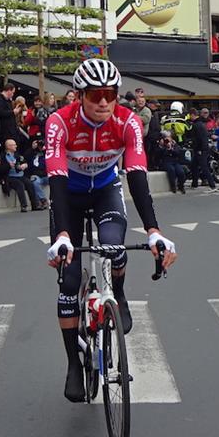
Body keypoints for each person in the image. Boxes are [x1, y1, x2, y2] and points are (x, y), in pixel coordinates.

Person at [44, 58, 177, 402]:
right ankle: (74, 364)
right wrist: (61, 236)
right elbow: (56, 180)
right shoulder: (59, 122)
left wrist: (153, 231)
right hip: (68, 199)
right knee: (69, 281)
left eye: (111, 93)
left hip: (105, 191)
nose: (104, 101)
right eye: (96, 94)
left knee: (113, 246)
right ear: (79, 95)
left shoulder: (128, 122)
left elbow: (136, 177)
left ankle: (117, 292)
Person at [0, 138, 31, 212]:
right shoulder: (2, 156)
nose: (16, 146)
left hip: (20, 175)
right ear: (8, 147)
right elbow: (0, 169)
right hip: (10, 177)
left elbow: (24, 161)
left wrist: (25, 165)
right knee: (20, 185)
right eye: (14, 145)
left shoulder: (17, 155)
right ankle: (24, 205)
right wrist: (9, 165)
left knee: (29, 183)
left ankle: (35, 204)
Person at [191, 108, 216, 192]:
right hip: (202, 148)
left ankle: (212, 184)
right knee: (195, 166)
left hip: (200, 149)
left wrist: (199, 149)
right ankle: (194, 183)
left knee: (203, 167)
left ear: (193, 115)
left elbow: (199, 138)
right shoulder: (201, 124)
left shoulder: (197, 125)